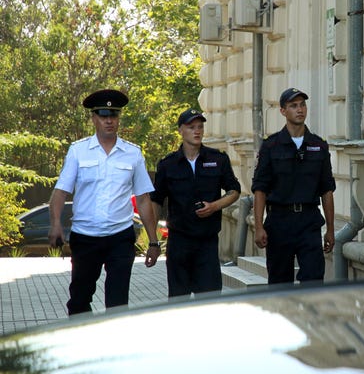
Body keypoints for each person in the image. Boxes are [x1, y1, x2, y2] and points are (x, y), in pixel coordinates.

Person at [48, 89, 161, 315]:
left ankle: (113, 348)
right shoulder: (78, 151)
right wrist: (56, 224)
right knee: (79, 299)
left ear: (119, 118)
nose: (109, 121)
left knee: (118, 303)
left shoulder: (133, 153)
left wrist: (153, 241)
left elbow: (144, 199)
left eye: (114, 115)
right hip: (85, 237)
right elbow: (60, 192)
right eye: (103, 115)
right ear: (94, 118)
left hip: (120, 237)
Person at [150, 108, 241, 297]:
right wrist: (153, 240)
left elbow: (234, 191)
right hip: (179, 242)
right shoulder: (168, 165)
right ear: (181, 130)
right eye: (191, 127)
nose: (197, 131)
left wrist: (214, 206)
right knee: (178, 300)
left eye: (200, 127)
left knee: (209, 300)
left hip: (207, 243)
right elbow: (156, 202)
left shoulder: (218, 159)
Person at [251, 88, 336, 285]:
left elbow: (327, 190)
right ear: (283, 111)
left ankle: (308, 317)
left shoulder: (319, 146)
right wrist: (258, 227)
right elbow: (260, 189)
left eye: (302, 105)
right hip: (279, 221)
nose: (300, 110)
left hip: (309, 222)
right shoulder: (271, 146)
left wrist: (330, 230)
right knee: (280, 283)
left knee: (313, 281)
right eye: (293, 106)